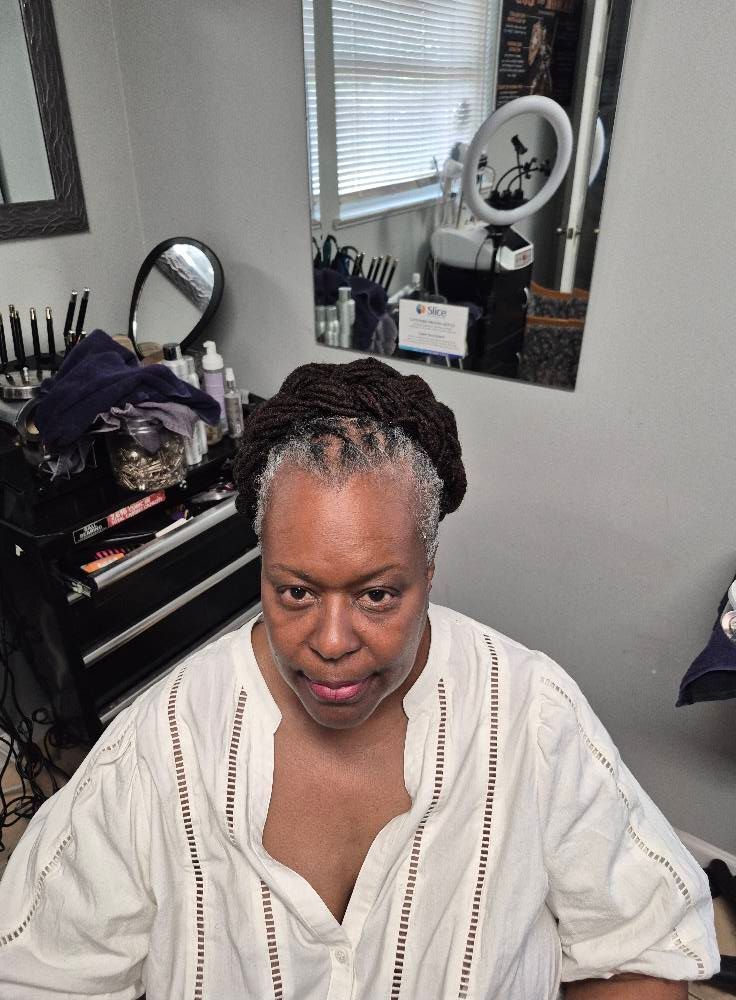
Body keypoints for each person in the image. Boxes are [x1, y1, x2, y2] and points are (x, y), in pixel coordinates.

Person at [0, 358, 719, 999]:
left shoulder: (532, 716)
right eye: (295, 592)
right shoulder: (162, 749)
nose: (332, 644)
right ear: (262, 568)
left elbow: (641, 947)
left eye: (377, 594)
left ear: (428, 573)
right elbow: (41, 970)